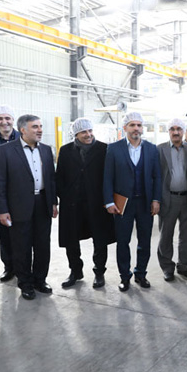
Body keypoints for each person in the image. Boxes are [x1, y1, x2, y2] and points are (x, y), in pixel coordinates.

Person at [0, 114, 58, 300]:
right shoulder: (6, 151)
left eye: (40, 126)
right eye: (35, 127)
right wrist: (2, 210)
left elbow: (51, 179)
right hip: (18, 206)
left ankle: (40, 280)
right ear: (23, 130)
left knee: (42, 245)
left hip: (42, 203)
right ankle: (25, 283)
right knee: (21, 246)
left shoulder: (46, 150)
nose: (40, 130)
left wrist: (53, 202)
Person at [103, 112, 161, 292]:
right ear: (125, 128)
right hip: (123, 203)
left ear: (142, 128)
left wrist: (156, 199)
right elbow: (107, 177)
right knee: (123, 241)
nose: (136, 128)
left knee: (145, 240)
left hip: (145, 202)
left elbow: (157, 177)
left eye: (139, 125)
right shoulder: (114, 149)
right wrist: (109, 202)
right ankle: (124, 276)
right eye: (132, 125)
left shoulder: (152, 149)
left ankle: (141, 273)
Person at [55, 118, 115, 289]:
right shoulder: (65, 150)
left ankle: (99, 272)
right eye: (83, 132)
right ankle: (75, 271)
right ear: (76, 134)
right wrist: (64, 196)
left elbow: (110, 175)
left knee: (100, 239)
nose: (88, 135)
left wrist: (108, 199)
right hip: (72, 204)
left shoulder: (103, 149)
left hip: (97, 203)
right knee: (71, 239)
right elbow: (59, 176)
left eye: (90, 131)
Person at [157, 119, 187, 281]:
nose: (176, 132)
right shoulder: (160, 149)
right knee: (166, 235)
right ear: (168, 131)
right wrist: (156, 200)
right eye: (172, 129)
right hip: (168, 198)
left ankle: (184, 265)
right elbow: (155, 176)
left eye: (179, 129)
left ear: (184, 131)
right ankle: (167, 267)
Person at [0, 105, 20, 282]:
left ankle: (24, 265)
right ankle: (9, 267)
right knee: (4, 230)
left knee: (24, 230)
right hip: (0, 192)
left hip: (22, 191)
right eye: (0, 118)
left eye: (7, 118)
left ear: (13, 120)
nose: (4, 122)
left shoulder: (23, 137)